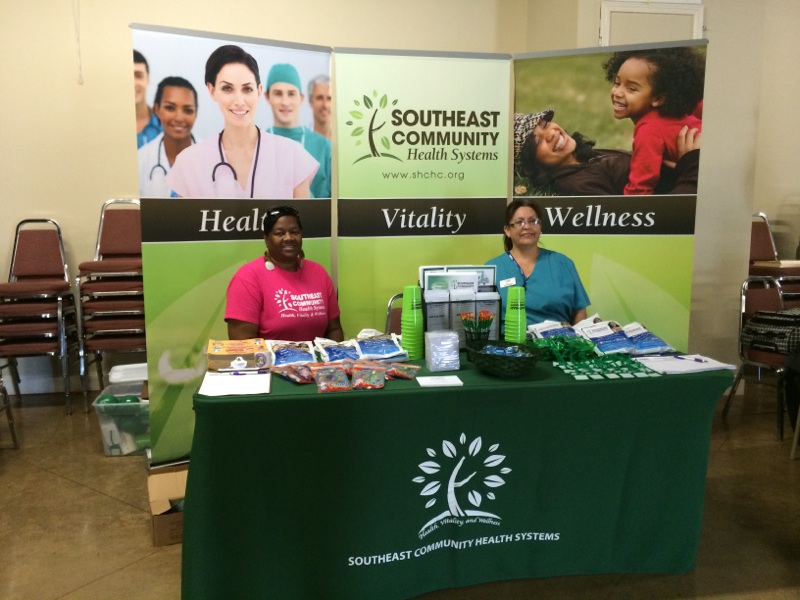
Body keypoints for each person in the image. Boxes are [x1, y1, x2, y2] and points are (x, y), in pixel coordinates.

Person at [166, 45, 318, 199]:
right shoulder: (190, 162)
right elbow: (184, 223)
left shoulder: (291, 155)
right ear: (212, 91)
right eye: (227, 88)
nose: (239, 101)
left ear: (259, 92)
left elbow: (304, 222)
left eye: (247, 89)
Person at [516, 109, 701, 196]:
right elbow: (654, 222)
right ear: (532, 165)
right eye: (538, 141)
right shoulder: (577, 187)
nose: (550, 133)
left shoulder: (585, 157)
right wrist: (693, 168)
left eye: (545, 125)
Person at [226, 205, 344, 342]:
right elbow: (242, 343)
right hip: (268, 363)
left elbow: (334, 329)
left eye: (294, 232)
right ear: (266, 238)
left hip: (318, 363)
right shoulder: (248, 278)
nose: (289, 238)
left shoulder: (318, 272)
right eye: (279, 233)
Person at [603, 47, 704, 195]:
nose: (617, 92)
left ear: (658, 98)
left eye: (631, 88)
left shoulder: (649, 131)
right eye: (617, 82)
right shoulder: (679, 115)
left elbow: (640, 187)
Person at [486, 199, 590, 328]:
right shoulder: (492, 269)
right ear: (507, 230)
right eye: (520, 222)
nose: (527, 226)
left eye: (533, 221)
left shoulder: (563, 264)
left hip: (557, 344)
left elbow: (579, 311)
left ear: (540, 227)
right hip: (509, 346)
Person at [264, 64, 332, 199]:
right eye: (278, 94)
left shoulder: (324, 147)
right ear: (267, 97)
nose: (285, 102)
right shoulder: (257, 144)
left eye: (291, 94)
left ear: (301, 98)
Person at [137, 76, 198, 198]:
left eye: (188, 110)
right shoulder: (140, 160)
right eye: (170, 108)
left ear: (195, 113)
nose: (179, 118)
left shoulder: (214, 160)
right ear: (157, 110)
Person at [134, 50, 163, 149]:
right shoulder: (106, 127)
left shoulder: (165, 127)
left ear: (148, 79)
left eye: (138, 76)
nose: (133, 83)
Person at [307, 74, 332, 139]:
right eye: (319, 98)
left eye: (329, 98)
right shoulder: (302, 140)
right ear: (310, 101)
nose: (325, 105)